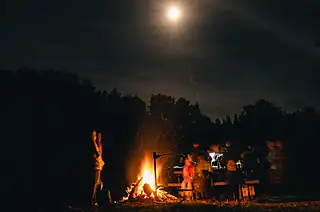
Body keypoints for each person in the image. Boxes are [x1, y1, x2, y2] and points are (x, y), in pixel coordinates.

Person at [91, 131, 105, 207]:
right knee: (95, 184)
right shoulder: (93, 145)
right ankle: (92, 201)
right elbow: (98, 154)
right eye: (95, 136)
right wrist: (101, 161)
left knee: (98, 183)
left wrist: (99, 141)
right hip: (96, 166)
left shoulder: (96, 144)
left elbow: (100, 152)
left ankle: (95, 201)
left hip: (98, 166)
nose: (95, 137)